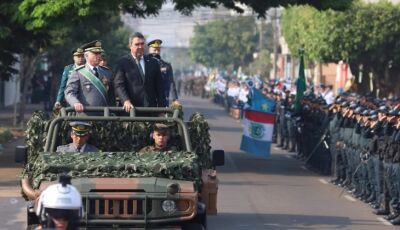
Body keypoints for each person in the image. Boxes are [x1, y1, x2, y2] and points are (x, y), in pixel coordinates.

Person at [114, 32, 167, 113]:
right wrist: (125, 100)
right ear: (130, 46)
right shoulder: (123, 62)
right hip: (130, 111)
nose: (140, 47)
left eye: (142, 44)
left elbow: (160, 87)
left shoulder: (153, 62)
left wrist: (161, 110)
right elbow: (119, 84)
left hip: (150, 110)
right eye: (137, 44)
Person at [64, 40, 114, 113]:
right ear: (86, 56)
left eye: (99, 53)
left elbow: (111, 97)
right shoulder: (78, 72)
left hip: (104, 118)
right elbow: (69, 92)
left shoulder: (107, 72)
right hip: (84, 118)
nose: (99, 56)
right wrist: (75, 103)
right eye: (95, 53)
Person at [147, 39, 179, 105]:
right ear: (149, 50)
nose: (156, 52)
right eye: (154, 50)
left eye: (158, 50)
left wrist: (175, 99)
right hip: (147, 100)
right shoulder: (143, 63)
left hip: (162, 100)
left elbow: (171, 83)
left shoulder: (167, 66)